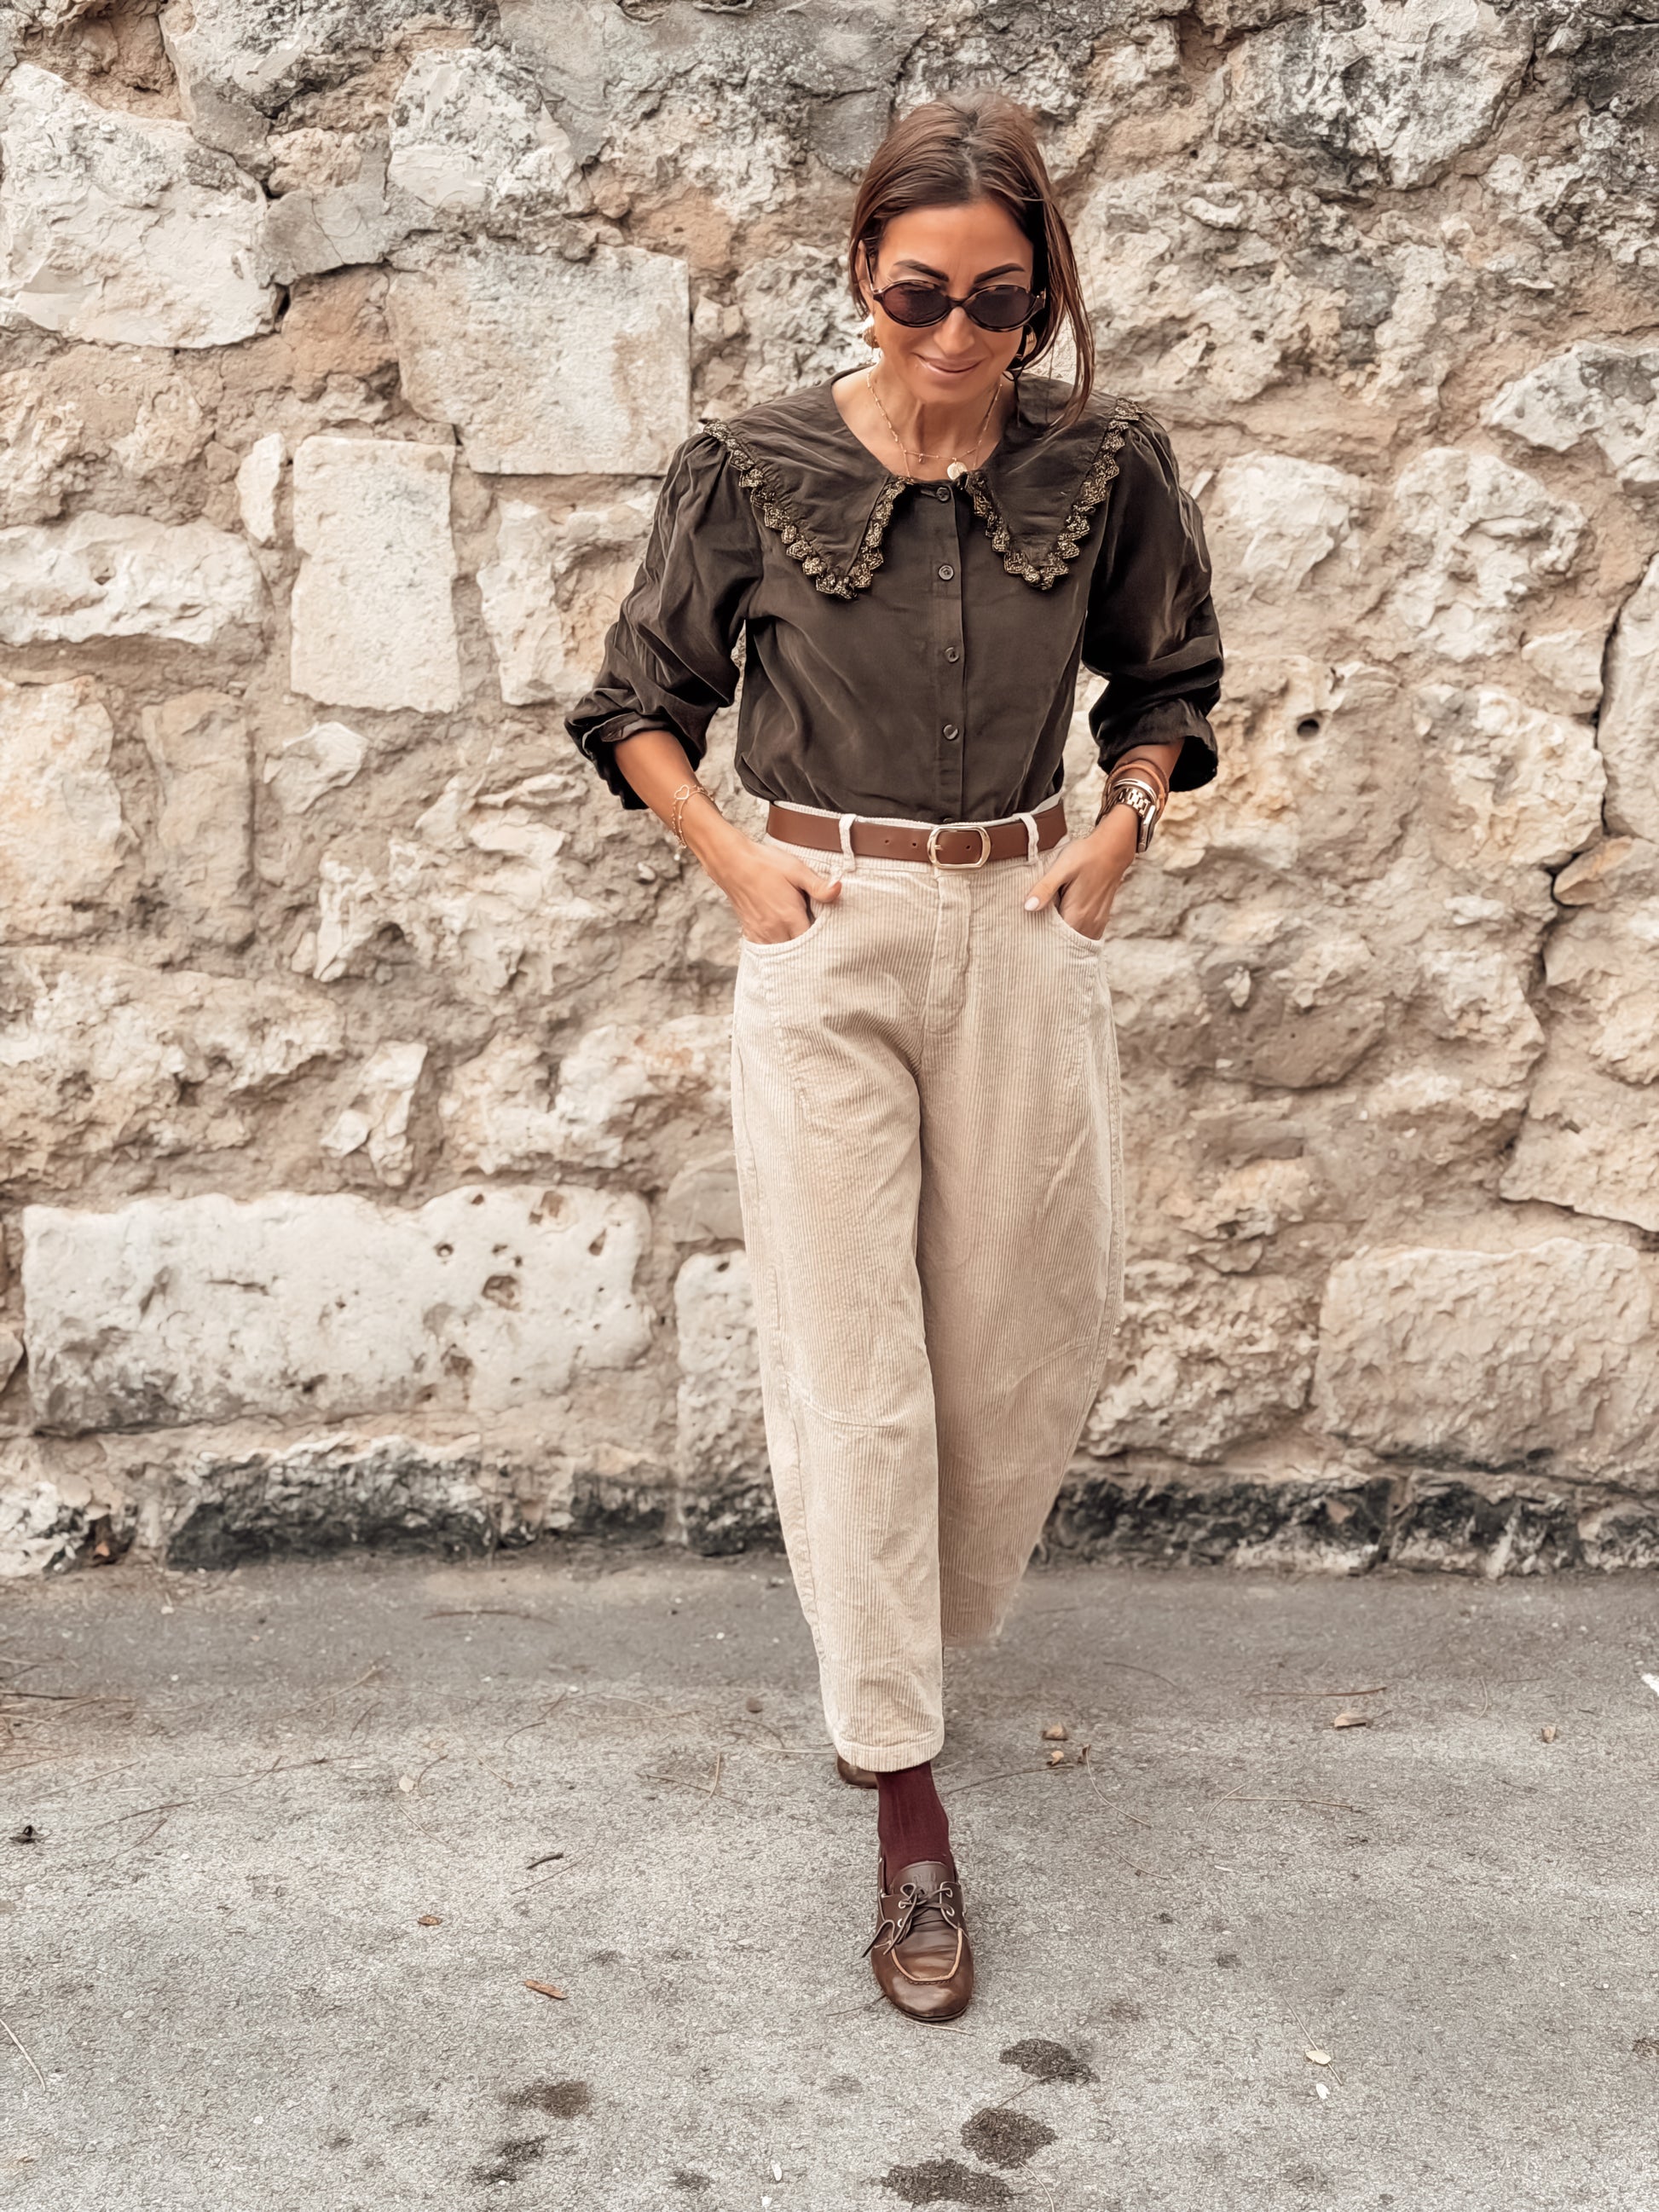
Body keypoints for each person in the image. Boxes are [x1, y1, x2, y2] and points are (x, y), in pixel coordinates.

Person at [566, 92, 1223, 2023]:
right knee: (853, 1364)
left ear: (1041, 298)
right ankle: (906, 1791)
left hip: (1022, 918)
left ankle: (902, 1656)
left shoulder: (1103, 463)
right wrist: (741, 869)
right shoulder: (748, 467)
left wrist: (1119, 828)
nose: (952, 333)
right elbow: (637, 701)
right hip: (825, 927)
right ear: (859, 271)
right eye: (915, 292)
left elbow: (1171, 680)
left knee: (1022, 1335)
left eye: (997, 301)